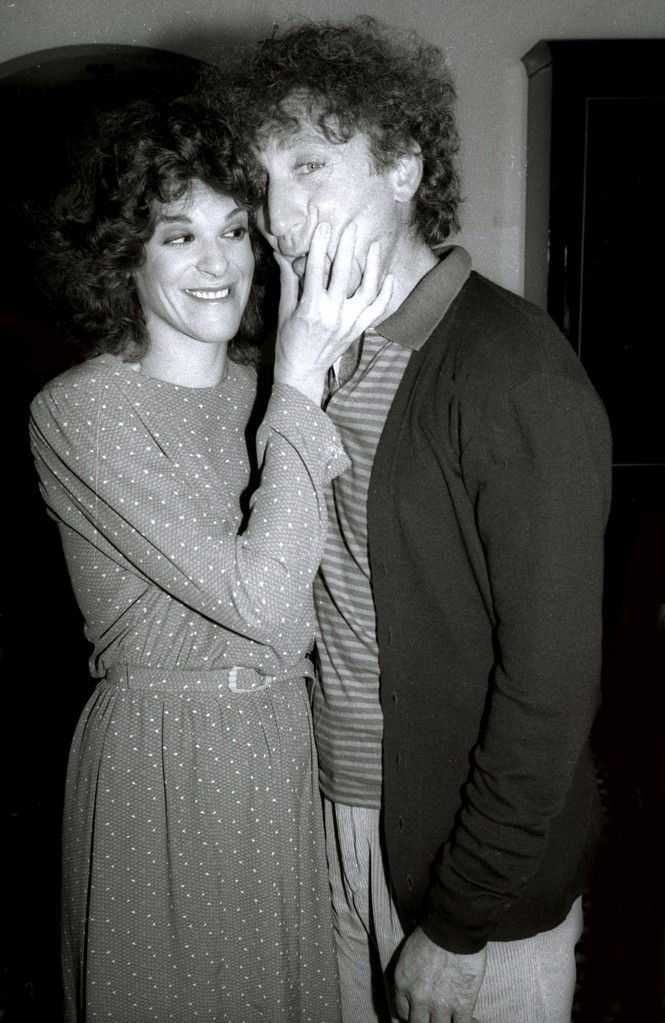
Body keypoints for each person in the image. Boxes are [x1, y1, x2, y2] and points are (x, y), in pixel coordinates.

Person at [205, 18, 613, 1023]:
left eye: (308, 163)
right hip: (335, 825)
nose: (277, 211)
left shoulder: (506, 369)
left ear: (400, 167)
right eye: (263, 176)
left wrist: (459, 915)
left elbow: (549, 687)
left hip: (463, 865)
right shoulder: (306, 356)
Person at [28, 95, 393, 1023]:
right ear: (125, 255)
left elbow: (317, 602)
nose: (216, 262)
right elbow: (266, 601)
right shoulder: (81, 410)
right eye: (177, 235)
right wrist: (303, 386)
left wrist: (297, 388)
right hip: (162, 757)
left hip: (278, 745)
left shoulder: (263, 393)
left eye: (234, 230)